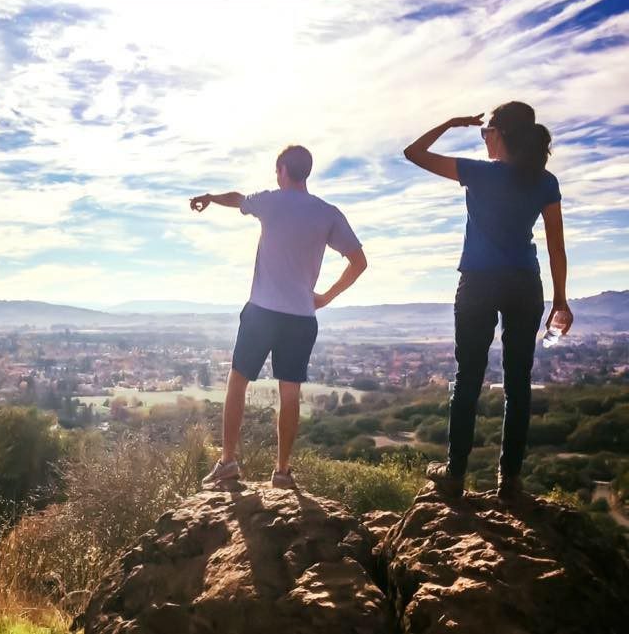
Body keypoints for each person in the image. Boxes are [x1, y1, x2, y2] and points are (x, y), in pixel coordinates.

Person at [403, 101, 572, 500]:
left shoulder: (477, 173)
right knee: (518, 384)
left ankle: (455, 475)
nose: (483, 140)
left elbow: (413, 153)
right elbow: (556, 248)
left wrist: (449, 121)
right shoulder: (544, 181)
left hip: (478, 284)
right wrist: (561, 300)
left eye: (485, 132)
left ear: (500, 135)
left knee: (468, 380)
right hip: (524, 285)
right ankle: (509, 482)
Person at [190, 145, 367, 489]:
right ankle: (282, 472)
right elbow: (359, 262)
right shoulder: (327, 212)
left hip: (262, 312)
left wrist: (210, 197)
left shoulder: (271, 201)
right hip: (302, 316)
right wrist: (325, 298)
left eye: (276, 170)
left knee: (237, 383)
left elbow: (237, 198)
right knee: (290, 393)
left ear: (283, 169)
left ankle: (228, 462)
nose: (275, 175)